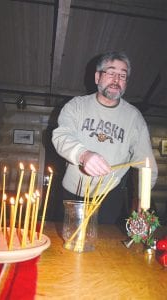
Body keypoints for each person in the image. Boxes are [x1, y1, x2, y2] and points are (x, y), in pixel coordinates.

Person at [52, 51, 158, 224]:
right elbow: (61, 136)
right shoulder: (76, 105)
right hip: (71, 193)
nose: (116, 79)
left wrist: (141, 198)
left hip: (109, 197)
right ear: (97, 77)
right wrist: (84, 155)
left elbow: (145, 163)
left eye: (122, 76)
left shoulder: (134, 117)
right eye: (111, 73)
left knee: (103, 246)